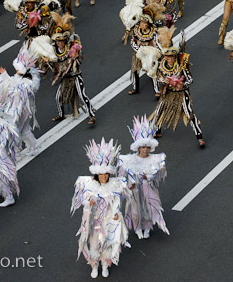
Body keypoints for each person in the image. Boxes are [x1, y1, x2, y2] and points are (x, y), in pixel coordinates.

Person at [71, 138, 131, 279]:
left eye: (106, 174)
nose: (104, 177)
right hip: (94, 221)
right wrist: (88, 203)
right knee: (94, 245)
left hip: (108, 220)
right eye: (101, 174)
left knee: (108, 243)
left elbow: (118, 202)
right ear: (96, 174)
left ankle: (105, 265)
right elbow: (81, 201)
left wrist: (116, 214)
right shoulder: (87, 185)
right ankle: (94, 265)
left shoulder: (115, 185)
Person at [145, 27, 206, 147]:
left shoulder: (182, 66)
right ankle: (157, 131)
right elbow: (157, 76)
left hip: (182, 93)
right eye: (168, 57)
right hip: (168, 92)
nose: (170, 59)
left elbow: (190, 79)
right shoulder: (161, 66)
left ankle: (199, 137)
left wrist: (182, 84)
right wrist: (165, 80)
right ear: (165, 57)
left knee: (190, 114)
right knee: (159, 111)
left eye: (172, 57)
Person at [118, 115, 169, 239]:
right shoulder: (129, 160)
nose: (145, 150)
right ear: (138, 148)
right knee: (135, 210)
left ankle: (147, 226)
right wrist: (130, 184)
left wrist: (148, 177)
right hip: (134, 189)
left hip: (148, 188)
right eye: (142, 147)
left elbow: (157, 173)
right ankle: (137, 227)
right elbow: (123, 177)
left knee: (148, 208)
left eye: (147, 147)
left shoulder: (155, 159)